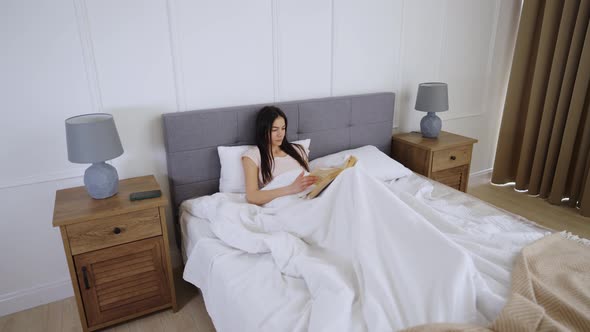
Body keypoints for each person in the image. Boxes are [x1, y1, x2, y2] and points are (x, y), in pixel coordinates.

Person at [242, 106, 318, 205]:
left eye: (283, 128)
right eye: (274, 130)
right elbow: (252, 196)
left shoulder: (299, 150)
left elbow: (307, 181)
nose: (280, 134)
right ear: (263, 130)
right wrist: (291, 189)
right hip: (285, 204)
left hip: (308, 199)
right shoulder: (253, 156)